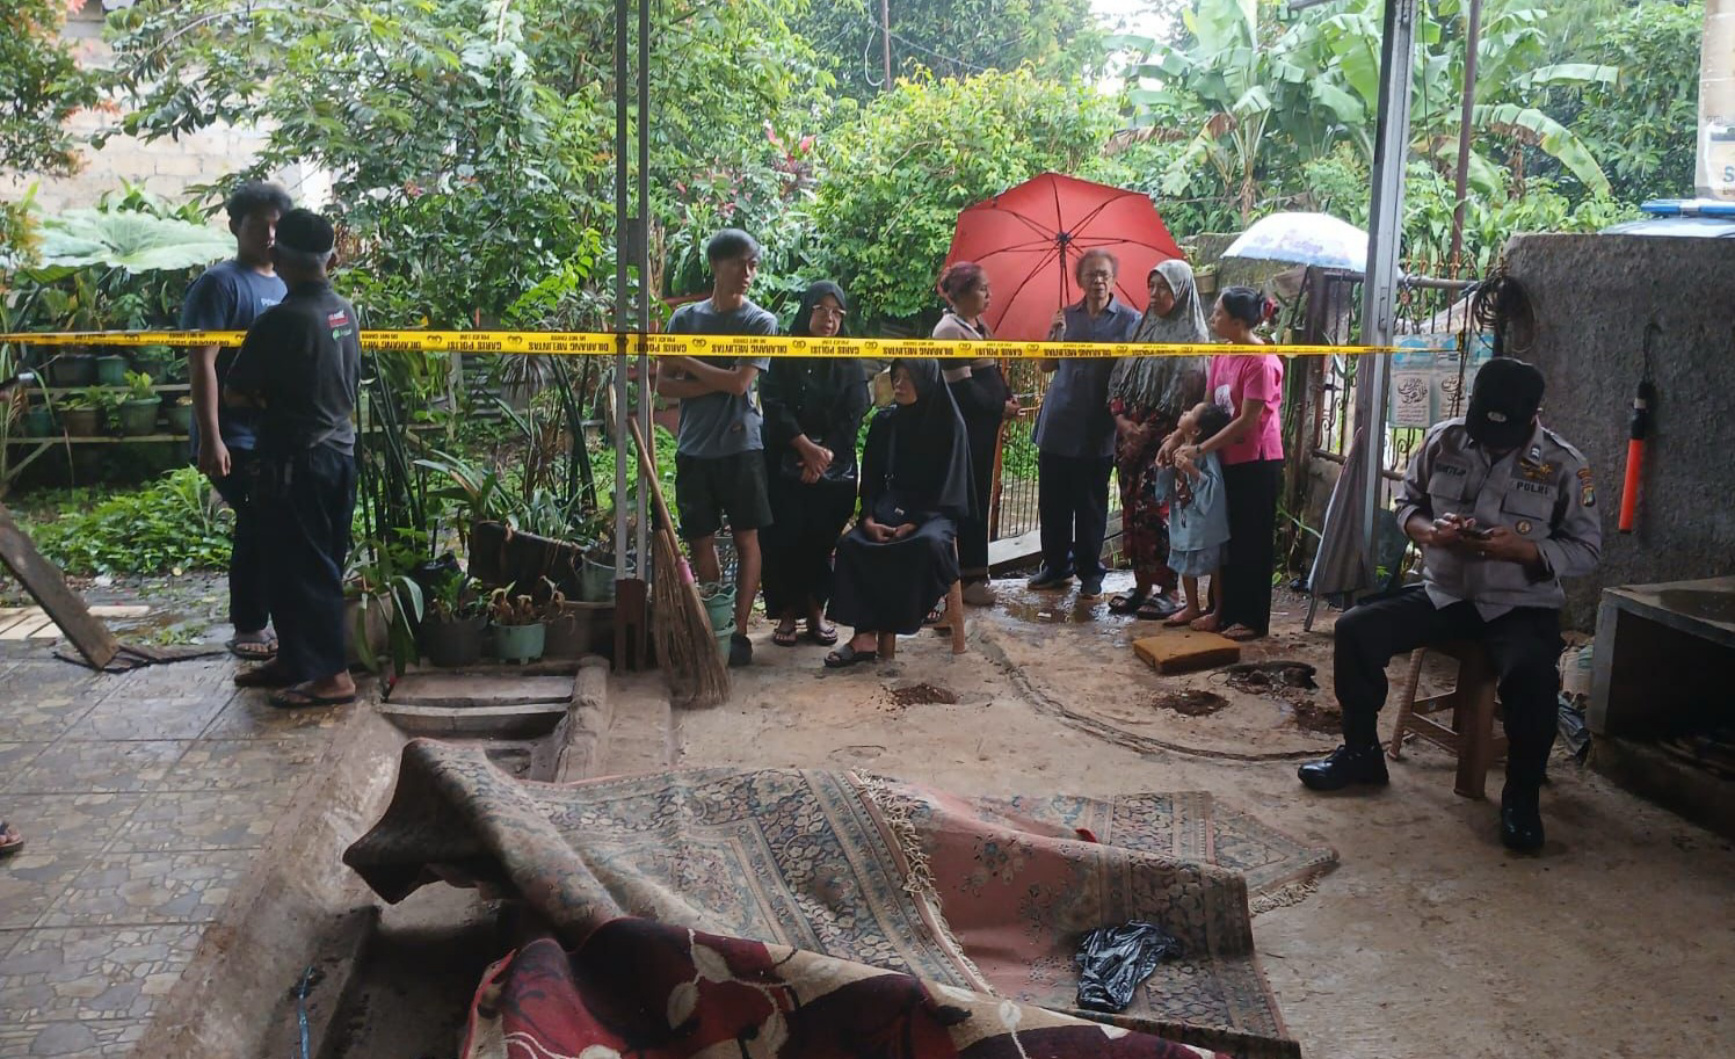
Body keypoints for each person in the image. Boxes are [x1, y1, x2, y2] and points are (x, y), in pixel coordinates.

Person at [1297, 357, 1601, 853]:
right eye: (1485, 430)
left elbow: (1587, 550)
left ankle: (1520, 798)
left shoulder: (1566, 464)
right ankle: (1361, 753)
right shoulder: (1445, 440)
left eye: (1503, 435)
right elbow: (1408, 505)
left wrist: (1521, 550)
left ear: (1534, 415)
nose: (1492, 442)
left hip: (1519, 603)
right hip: (1444, 593)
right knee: (1355, 629)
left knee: (1532, 677)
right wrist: (1430, 533)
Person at [222, 209, 362, 709]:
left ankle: (332, 677)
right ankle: (297, 660)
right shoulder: (344, 311)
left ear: (282, 256)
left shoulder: (280, 320)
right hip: (339, 454)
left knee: (305, 570)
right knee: (298, 564)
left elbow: (235, 393)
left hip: (296, 463)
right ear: (329, 257)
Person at [181, 181, 293, 663]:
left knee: (274, 522)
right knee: (255, 520)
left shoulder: (287, 282)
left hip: (274, 434)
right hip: (231, 434)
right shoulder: (220, 284)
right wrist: (211, 437)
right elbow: (201, 362)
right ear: (234, 228)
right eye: (257, 225)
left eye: (276, 225)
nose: (269, 234)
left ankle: (271, 619)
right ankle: (248, 622)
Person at [655, 229, 778, 668]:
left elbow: (740, 383)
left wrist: (689, 365)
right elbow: (661, 383)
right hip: (693, 449)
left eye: (753, 264)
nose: (747, 273)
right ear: (716, 266)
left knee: (748, 539)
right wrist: (713, 378)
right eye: (739, 263)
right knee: (700, 540)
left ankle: (739, 631)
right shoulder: (685, 320)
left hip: (742, 447)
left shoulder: (760, 322)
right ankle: (713, 623)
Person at [823, 359, 973, 668]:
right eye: (896, 377)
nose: (899, 385)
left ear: (927, 380)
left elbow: (949, 488)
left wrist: (913, 523)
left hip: (934, 512)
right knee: (853, 545)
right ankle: (864, 636)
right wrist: (868, 519)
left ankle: (909, 616)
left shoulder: (948, 424)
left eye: (909, 378)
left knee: (923, 545)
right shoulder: (885, 422)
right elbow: (873, 480)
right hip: (889, 507)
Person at [758, 281, 869, 648]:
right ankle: (788, 612)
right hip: (786, 457)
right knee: (784, 537)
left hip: (833, 464)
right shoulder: (786, 352)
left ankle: (816, 610)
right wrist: (804, 447)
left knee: (821, 540)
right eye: (821, 309)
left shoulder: (849, 359)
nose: (829, 318)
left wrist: (823, 458)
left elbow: (855, 410)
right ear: (807, 310)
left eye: (837, 312)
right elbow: (772, 403)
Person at [1029, 249, 1142, 599]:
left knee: (1091, 504)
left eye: (1104, 274)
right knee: (1053, 502)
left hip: (1098, 426)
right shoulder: (1066, 317)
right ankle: (1055, 566)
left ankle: (1090, 571)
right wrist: (1055, 337)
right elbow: (1046, 368)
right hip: (1058, 421)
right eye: (1091, 274)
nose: (1098, 280)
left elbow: (1135, 371)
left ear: (1114, 278)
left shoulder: (1130, 321)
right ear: (1079, 280)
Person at [1172, 286, 1283, 641]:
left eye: (1219, 313)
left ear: (1238, 322)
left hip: (1256, 461)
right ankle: (1222, 611)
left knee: (1252, 540)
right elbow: (1208, 406)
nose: (1213, 318)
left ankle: (1251, 618)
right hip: (1225, 458)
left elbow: (1246, 421)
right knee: (1226, 538)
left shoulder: (1261, 362)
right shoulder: (1224, 354)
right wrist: (1180, 439)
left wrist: (1200, 449)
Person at [1106, 260, 1210, 620]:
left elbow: (1186, 395)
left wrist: (1146, 432)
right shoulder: (1142, 329)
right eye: (1151, 286)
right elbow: (1119, 378)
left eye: (1163, 287)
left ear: (1180, 291)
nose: (1155, 294)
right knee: (1132, 512)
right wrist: (1121, 421)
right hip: (1129, 439)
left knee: (1159, 513)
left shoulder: (1193, 339)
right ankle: (1141, 585)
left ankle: (1168, 589)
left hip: (1163, 443)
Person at [933, 261, 1019, 607]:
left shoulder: (977, 326)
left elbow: (992, 372)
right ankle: (966, 578)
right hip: (967, 430)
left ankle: (976, 572)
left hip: (985, 429)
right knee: (968, 501)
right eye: (983, 288)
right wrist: (999, 408)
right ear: (963, 293)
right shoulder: (947, 332)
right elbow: (964, 390)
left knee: (981, 497)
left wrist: (1007, 397)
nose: (989, 295)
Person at [1152, 402, 1233, 628]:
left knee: (1214, 566)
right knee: (1185, 561)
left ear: (1196, 430)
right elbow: (1167, 482)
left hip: (1204, 521)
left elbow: (1214, 487)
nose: (1184, 411)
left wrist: (1191, 469)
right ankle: (1191, 606)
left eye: (1190, 413)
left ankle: (1218, 611)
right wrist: (1165, 467)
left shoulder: (1206, 454)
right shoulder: (1180, 447)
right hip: (1185, 516)